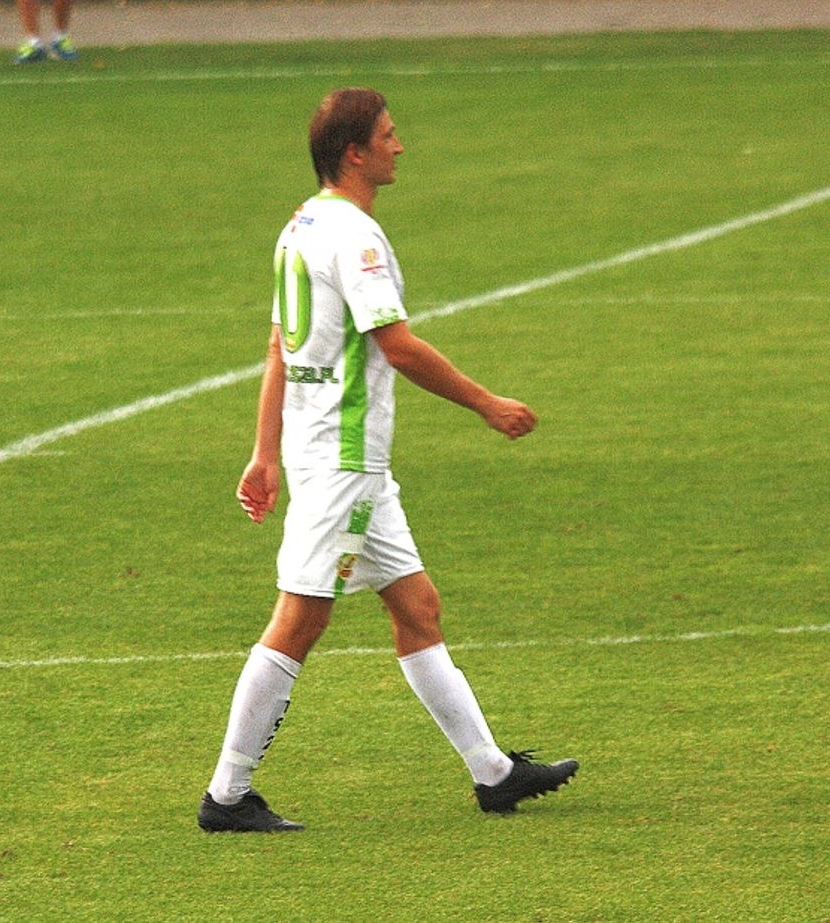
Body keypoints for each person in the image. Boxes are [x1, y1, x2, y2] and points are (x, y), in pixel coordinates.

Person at [197, 88, 578, 833]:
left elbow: (279, 347)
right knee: (299, 621)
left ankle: (493, 773)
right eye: (388, 136)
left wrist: (265, 452)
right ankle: (227, 795)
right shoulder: (354, 237)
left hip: (332, 458)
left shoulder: (300, 226)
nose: (399, 147)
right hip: (343, 462)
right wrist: (486, 403)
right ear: (354, 153)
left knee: (416, 607)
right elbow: (396, 346)